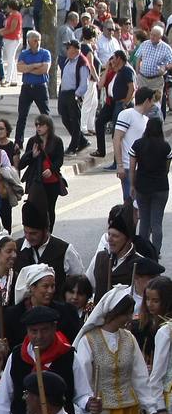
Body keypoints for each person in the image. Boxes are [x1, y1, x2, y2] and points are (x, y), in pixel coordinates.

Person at [74, 292, 165, 414]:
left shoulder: (129, 339)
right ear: (115, 313)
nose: (130, 318)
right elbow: (81, 380)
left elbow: (140, 378)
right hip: (102, 413)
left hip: (128, 412)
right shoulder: (88, 340)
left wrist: (153, 410)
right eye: (126, 313)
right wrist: (85, 410)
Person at [0, 304, 88, 414]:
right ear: (27, 331)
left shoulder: (68, 356)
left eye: (44, 330)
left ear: (54, 328)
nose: (39, 336)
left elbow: (82, 394)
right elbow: (4, 397)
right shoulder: (16, 356)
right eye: (34, 331)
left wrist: (88, 402)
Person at [12, 200, 84, 292]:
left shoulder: (64, 250)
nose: (28, 237)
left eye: (33, 233)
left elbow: (79, 280)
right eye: (26, 232)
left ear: (46, 230)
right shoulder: (16, 248)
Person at [129, 114, 172, 254]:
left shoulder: (138, 144)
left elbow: (132, 168)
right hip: (161, 187)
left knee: (145, 221)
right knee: (157, 222)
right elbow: (167, 168)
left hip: (142, 186)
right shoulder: (165, 146)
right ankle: (156, 252)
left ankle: (143, 252)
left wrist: (132, 185)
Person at [86, 206, 143, 302]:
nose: (109, 239)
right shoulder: (100, 257)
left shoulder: (140, 263)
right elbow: (87, 284)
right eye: (109, 234)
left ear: (128, 240)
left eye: (115, 236)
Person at [18, 116, 65, 228]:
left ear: (48, 126)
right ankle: (37, 230)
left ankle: (48, 232)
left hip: (52, 181)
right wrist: (32, 155)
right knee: (35, 207)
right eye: (37, 125)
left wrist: (51, 170)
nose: (38, 127)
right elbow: (22, 163)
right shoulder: (33, 141)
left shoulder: (57, 141)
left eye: (41, 125)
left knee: (49, 208)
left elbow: (60, 160)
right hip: (36, 180)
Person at [94, 50, 135, 160]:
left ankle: (117, 160)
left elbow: (132, 88)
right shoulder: (112, 72)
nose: (111, 61)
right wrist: (107, 69)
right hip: (110, 102)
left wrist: (126, 102)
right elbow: (100, 85)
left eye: (113, 58)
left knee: (116, 131)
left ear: (119, 59)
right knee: (99, 122)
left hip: (119, 103)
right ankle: (101, 150)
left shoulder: (126, 70)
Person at [115, 87, 157, 191]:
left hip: (143, 168)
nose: (153, 104)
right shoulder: (127, 114)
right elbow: (117, 139)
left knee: (141, 203)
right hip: (128, 167)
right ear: (147, 101)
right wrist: (120, 165)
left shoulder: (146, 120)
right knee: (129, 202)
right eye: (152, 101)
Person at [14, 31, 52, 140]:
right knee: (22, 116)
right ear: (29, 41)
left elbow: (44, 69)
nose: (37, 42)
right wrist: (35, 65)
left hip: (40, 86)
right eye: (34, 40)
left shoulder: (45, 53)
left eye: (38, 40)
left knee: (45, 115)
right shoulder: (24, 54)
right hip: (27, 87)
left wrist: (28, 69)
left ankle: (48, 139)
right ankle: (18, 141)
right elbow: (20, 68)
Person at [57, 40, 92, 154]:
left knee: (74, 120)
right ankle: (82, 141)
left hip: (73, 94)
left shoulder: (82, 62)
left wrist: (76, 95)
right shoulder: (68, 60)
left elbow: (84, 84)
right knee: (65, 117)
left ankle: (74, 146)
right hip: (64, 93)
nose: (66, 50)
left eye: (68, 47)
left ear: (76, 49)